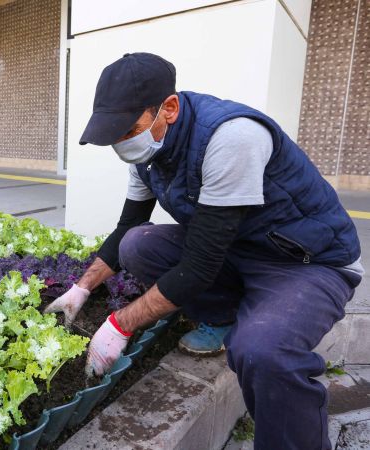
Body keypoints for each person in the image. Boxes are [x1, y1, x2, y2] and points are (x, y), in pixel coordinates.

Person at [44, 53, 363, 450]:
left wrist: (121, 324)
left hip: (305, 262)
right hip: (237, 249)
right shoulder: (147, 154)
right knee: (137, 245)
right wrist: (82, 289)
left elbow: (199, 265)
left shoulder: (232, 137)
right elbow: (129, 225)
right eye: (114, 135)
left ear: (170, 108)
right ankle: (226, 317)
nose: (122, 144)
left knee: (262, 350)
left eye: (129, 130)